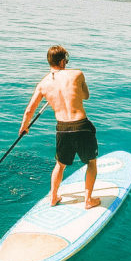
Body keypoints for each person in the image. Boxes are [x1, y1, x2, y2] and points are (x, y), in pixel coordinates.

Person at [19, 45, 100, 209]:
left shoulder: (43, 84)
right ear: (63, 61)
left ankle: (54, 197)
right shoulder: (77, 74)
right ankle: (88, 200)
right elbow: (86, 96)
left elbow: (29, 111)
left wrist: (24, 128)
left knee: (60, 165)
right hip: (82, 126)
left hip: (62, 129)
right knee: (91, 163)